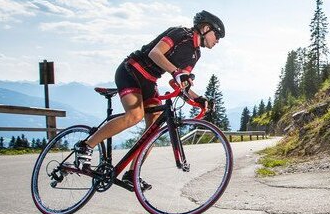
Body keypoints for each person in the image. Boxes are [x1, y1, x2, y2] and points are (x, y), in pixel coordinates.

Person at [73, 10, 225, 188]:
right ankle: (86, 145)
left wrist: (199, 98)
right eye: (217, 35)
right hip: (132, 70)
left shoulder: (195, 54)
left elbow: (179, 82)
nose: (218, 40)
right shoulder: (180, 34)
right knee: (135, 115)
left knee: (153, 128)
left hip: (150, 80)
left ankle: (132, 173)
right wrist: (177, 73)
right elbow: (155, 53)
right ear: (205, 28)